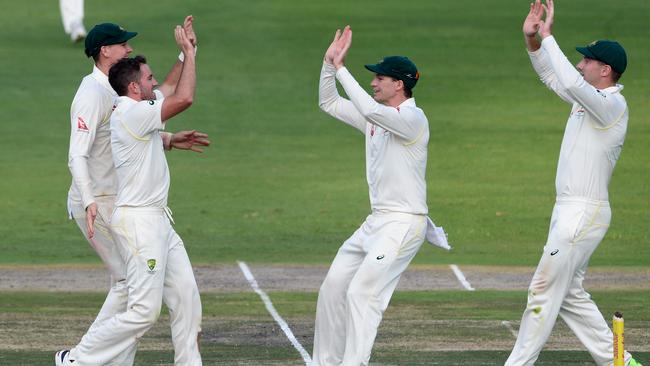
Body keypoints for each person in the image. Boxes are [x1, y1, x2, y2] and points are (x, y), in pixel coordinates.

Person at [57, 18, 208, 366]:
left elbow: (158, 100)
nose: (128, 47)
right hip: (101, 201)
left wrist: (188, 54)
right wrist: (90, 199)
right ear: (104, 51)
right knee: (132, 288)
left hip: (139, 205)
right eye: (122, 44)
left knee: (179, 294)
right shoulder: (92, 94)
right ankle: (79, 359)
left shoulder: (124, 90)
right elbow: (77, 154)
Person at [505, 1, 642, 365]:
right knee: (568, 294)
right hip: (570, 211)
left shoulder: (612, 106)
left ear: (605, 70)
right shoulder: (588, 99)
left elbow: (566, 76)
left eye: (587, 61)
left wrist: (550, 37)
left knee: (541, 290)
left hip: (583, 211)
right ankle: (622, 362)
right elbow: (553, 77)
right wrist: (533, 40)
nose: (580, 64)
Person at [313, 26, 448, 366]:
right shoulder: (377, 118)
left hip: (404, 224)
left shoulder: (413, 119)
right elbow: (328, 102)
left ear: (398, 84)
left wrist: (343, 70)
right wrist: (329, 65)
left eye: (380, 78)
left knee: (362, 293)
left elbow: (374, 113)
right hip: (377, 222)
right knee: (333, 287)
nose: (373, 83)